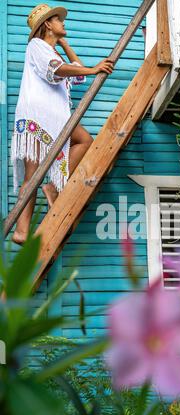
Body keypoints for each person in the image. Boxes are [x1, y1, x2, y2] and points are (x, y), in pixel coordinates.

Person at [11, 4, 114, 245]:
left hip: (55, 115)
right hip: (38, 113)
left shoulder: (52, 50)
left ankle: (53, 189)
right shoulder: (36, 46)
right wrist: (93, 68)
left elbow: (77, 72)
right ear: (48, 24)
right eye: (59, 20)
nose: (64, 23)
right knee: (32, 173)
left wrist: (64, 44)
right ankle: (21, 230)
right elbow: (58, 70)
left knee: (84, 141)